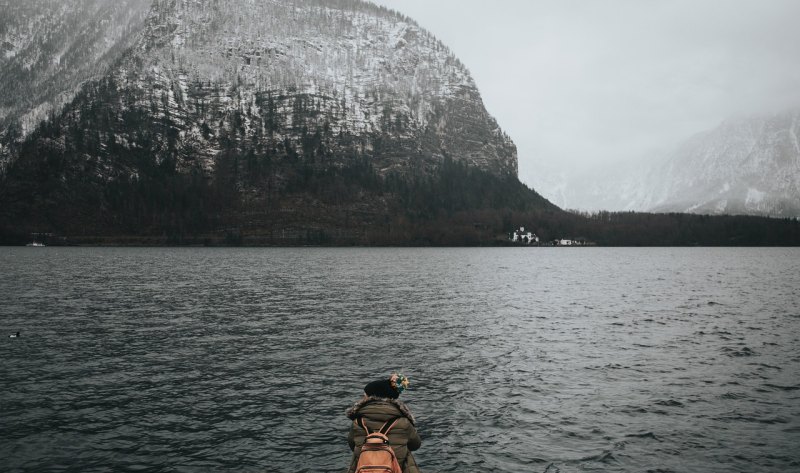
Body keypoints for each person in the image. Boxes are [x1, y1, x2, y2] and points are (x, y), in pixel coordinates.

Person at [346, 373, 421, 473]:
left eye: (365, 396)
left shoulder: (358, 423)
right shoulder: (404, 422)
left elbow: (352, 446)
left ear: (370, 399)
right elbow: (415, 445)